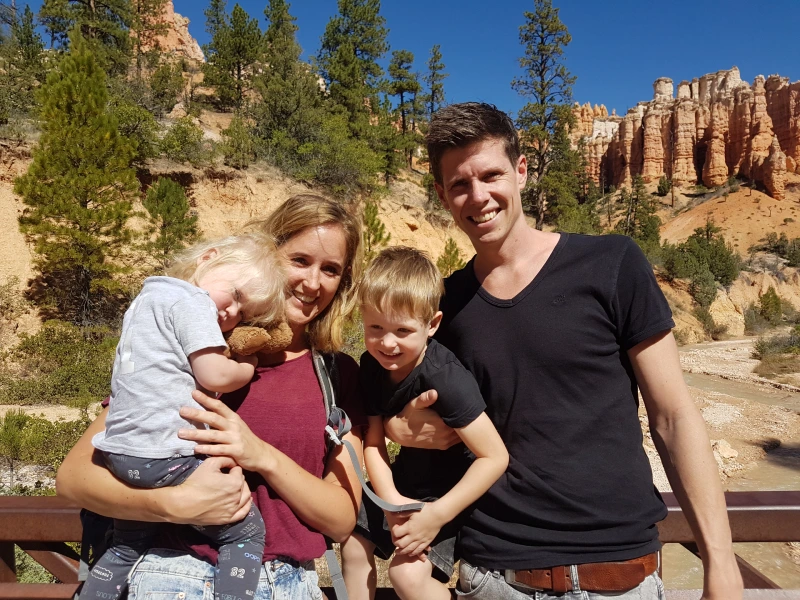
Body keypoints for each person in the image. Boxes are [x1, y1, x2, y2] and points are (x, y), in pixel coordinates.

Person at [383, 103, 744, 599]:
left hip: (621, 576)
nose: (479, 196)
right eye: (460, 184)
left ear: (522, 171)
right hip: (496, 578)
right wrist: (402, 428)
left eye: (491, 175)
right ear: (443, 196)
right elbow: (416, 412)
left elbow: (673, 417)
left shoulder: (611, 264)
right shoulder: (442, 308)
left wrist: (720, 563)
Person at [56, 193, 366, 600]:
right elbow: (75, 479)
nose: (313, 282)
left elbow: (341, 519)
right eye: (300, 260)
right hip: (170, 576)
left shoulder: (336, 374)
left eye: (330, 270)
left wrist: (261, 455)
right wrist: (173, 504)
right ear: (269, 257)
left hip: (291, 584)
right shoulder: (196, 349)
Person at [82, 233, 285, 600]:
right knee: (246, 533)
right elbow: (214, 375)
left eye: (244, 313)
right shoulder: (192, 302)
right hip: (165, 459)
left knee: (127, 545)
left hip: (123, 457)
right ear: (207, 258)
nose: (232, 314)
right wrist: (247, 365)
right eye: (237, 296)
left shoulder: (146, 301)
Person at [340, 247, 508, 600]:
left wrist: (434, 515)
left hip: (447, 497)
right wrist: (392, 503)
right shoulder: (370, 368)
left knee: (406, 575)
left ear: (432, 324)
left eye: (403, 330)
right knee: (354, 543)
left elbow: (494, 457)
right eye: (375, 327)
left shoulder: (445, 378)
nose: (387, 342)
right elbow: (372, 442)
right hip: (402, 486)